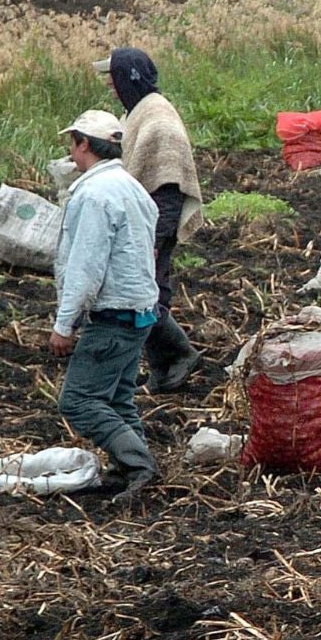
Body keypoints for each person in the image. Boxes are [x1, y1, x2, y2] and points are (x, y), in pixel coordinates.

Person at [51, 110, 163, 502]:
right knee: (117, 398)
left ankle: (138, 465)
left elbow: (86, 265)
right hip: (141, 312)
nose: (71, 152)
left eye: (73, 143)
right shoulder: (132, 187)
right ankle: (129, 467)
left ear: (84, 144)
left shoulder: (95, 194)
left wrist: (64, 324)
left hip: (113, 315)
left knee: (78, 400)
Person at [93, 47, 204, 393]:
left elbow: (168, 186)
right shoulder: (138, 112)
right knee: (149, 293)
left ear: (130, 79)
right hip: (145, 222)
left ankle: (182, 354)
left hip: (155, 223)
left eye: (113, 79)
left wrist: (155, 240)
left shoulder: (159, 122)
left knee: (144, 296)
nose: (111, 86)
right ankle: (162, 371)